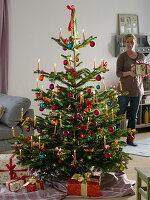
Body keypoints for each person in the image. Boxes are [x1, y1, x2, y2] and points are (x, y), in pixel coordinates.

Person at [116, 34, 145, 146]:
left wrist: (146, 71)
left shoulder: (141, 56)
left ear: (135, 42)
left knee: (133, 116)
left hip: (138, 90)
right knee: (120, 114)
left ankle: (130, 140)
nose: (130, 44)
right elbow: (118, 73)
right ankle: (114, 140)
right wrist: (129, 73)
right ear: (124, 43)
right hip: (124, 91)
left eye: (132, 42)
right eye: (128, 42)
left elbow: (143, 72)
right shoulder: (122, 57)